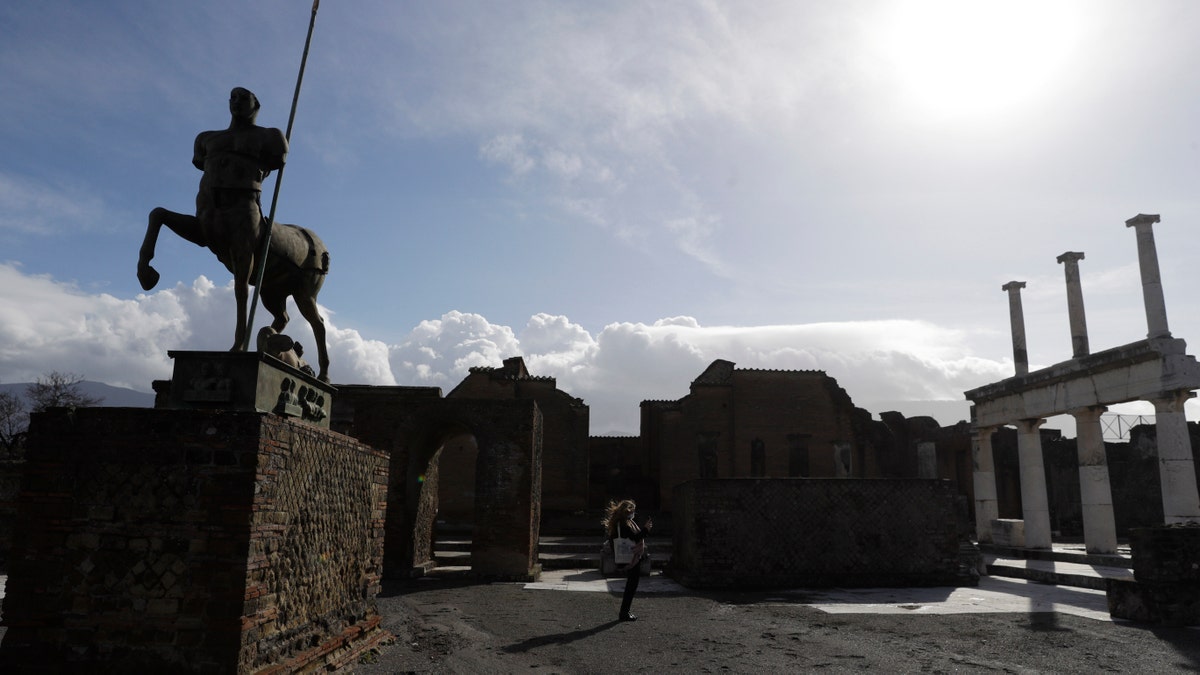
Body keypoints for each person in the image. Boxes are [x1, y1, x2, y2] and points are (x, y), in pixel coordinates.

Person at [602, 499, 653, 622]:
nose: (633, 513)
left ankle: (625, 611)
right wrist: (646, 529)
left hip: (630, 557)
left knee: (631, 584)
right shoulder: (624, 524)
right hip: (631, 558)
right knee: (631, 585)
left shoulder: (619, 523)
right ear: (628, 511)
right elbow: (635, 538)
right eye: (633, 511)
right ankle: (624, 612)